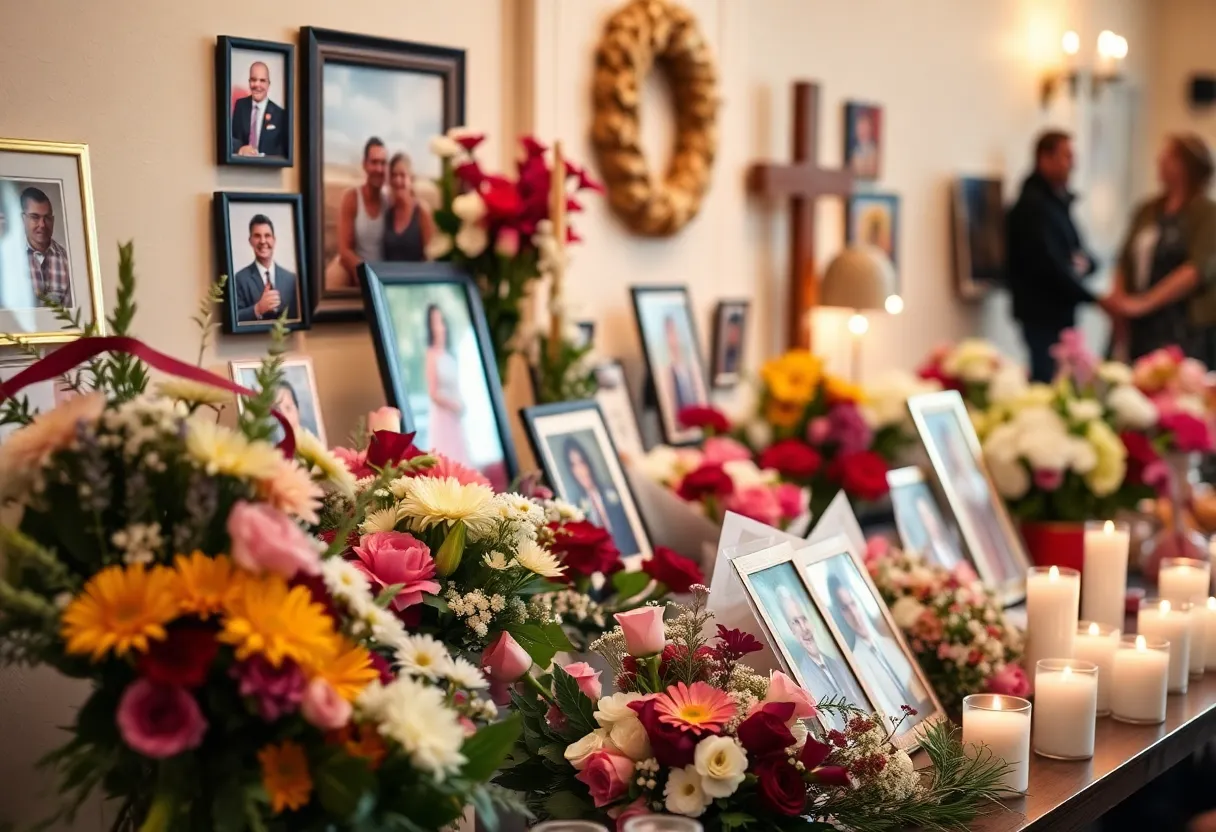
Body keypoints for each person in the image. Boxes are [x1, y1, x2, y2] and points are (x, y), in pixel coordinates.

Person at [1105, 134, 1216, 363]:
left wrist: (1144, 303)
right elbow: (1125, 259)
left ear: (1187, 166)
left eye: (1169, 156)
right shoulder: (1148, 209)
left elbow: (1196, 269)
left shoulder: (1206, 213)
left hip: (1183, 324)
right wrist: (1120, 301)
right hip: (1140, 325)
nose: (1160, 161)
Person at [1006, 130, 1106, 382]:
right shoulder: (1033, 207)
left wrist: (1085, 265)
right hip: (1042, 313)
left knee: (1064, 380)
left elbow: (1083, 254)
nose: (1072, 164)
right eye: (1066, 156)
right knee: (1048, 381)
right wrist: (1094, 298)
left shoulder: (1057, 203)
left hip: (1061, 314)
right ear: (1045, 158)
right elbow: (1049, 265)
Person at [826, 570, 932, 721]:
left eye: (853, 604)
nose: (854, 614)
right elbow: (887, 714)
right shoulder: (857, 663)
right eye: (845, 609)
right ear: (840, 615)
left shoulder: (890, 644)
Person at [775, 584, 869, 724]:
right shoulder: (803, 679)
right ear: (790, 630)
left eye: (804, 619)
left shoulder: (838, 663)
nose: (804, 628)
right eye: (795, 622)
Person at [561, 435, 638, 556]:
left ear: (588, 463)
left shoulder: (614, 494)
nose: (581, 470)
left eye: (582, 462)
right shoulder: (576, 509)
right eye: (574, 465)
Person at [332, 137, 388, 290]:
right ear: (365, 164)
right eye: (374, 162)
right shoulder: (352, 198)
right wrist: (366, 273)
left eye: (383, 163)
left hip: (385, 274)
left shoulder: (388, 201)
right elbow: (344, 250)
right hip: (360, 272)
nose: (379, 169)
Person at [233, 214, 300, 324]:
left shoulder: (292, 279)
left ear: (274, 240)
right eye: (257, 236)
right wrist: (257, 309)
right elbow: (233, 318)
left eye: (267, 235)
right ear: (250, 241)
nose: (263, 241)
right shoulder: (239, 279)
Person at [424, 303, 470, 465]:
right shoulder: (431, 355)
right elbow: (433, 393)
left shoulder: (450, 355)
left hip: (454, 417)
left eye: (441, 321)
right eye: (435, 322)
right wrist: (452, 405)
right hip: (443, 416)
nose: (439, 327)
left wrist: (461, 404)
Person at [20, 187, 73, 308]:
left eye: (47, 218)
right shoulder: (7, 259)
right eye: (35, 217)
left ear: (53, 220)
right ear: (23, 219)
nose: (42, 224)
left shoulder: (67, 260)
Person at [230, 61, 288, 158]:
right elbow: (230, 137)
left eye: (262, 80)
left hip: (267, 167)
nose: (257, 84)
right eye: (253, 80)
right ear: (249, 82)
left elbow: (283, 150)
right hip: (241, 164)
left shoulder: (280, 114)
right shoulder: (240, 105)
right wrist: (240, 149)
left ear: (268, 84)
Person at [383, 153, 434, 262]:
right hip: (389, 272)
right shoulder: (388, 213)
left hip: (416, 272)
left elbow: (430, 256)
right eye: (394, 175)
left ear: (411, 179)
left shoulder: (421, 211)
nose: (398, 180)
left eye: (402, 175)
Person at [663, 315, 702, 413]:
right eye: (669, 334)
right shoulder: (669, 372)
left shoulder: (692, 368)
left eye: (674, 333)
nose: (673, 339)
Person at [849, 110, 879, 178]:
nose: (861, 131)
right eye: (859, 128)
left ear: (870, 129)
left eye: (864, 127)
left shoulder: (875, 152)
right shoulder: (854, 152)